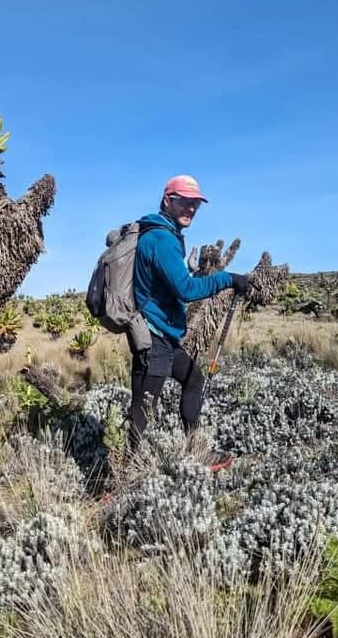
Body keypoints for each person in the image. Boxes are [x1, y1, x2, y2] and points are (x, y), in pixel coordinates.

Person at [127, 174, 249, 467]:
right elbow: (187, 289)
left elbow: (173, 284)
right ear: (168, 200)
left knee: (192, 379)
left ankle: (197, 452)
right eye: (185, 201)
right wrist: (228, 278)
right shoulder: (161, 239)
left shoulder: (160, 234)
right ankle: (114, 477)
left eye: (195, 204)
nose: (191, 208)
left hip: (163, 337)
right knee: (143, 409)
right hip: (153, 339)